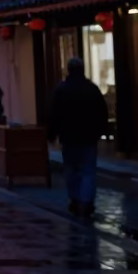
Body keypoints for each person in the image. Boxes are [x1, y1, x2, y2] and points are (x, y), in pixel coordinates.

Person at [47, 56, 108, 217]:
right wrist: (99, 132)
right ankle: (86, 201)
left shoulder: (61, 90)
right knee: (88, 170)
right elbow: (102, 113)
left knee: (71, 169)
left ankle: (75, 199)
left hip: (69, 136)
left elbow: (54, 114)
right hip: (88, 136)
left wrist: (52, 134)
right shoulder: (91, 89)